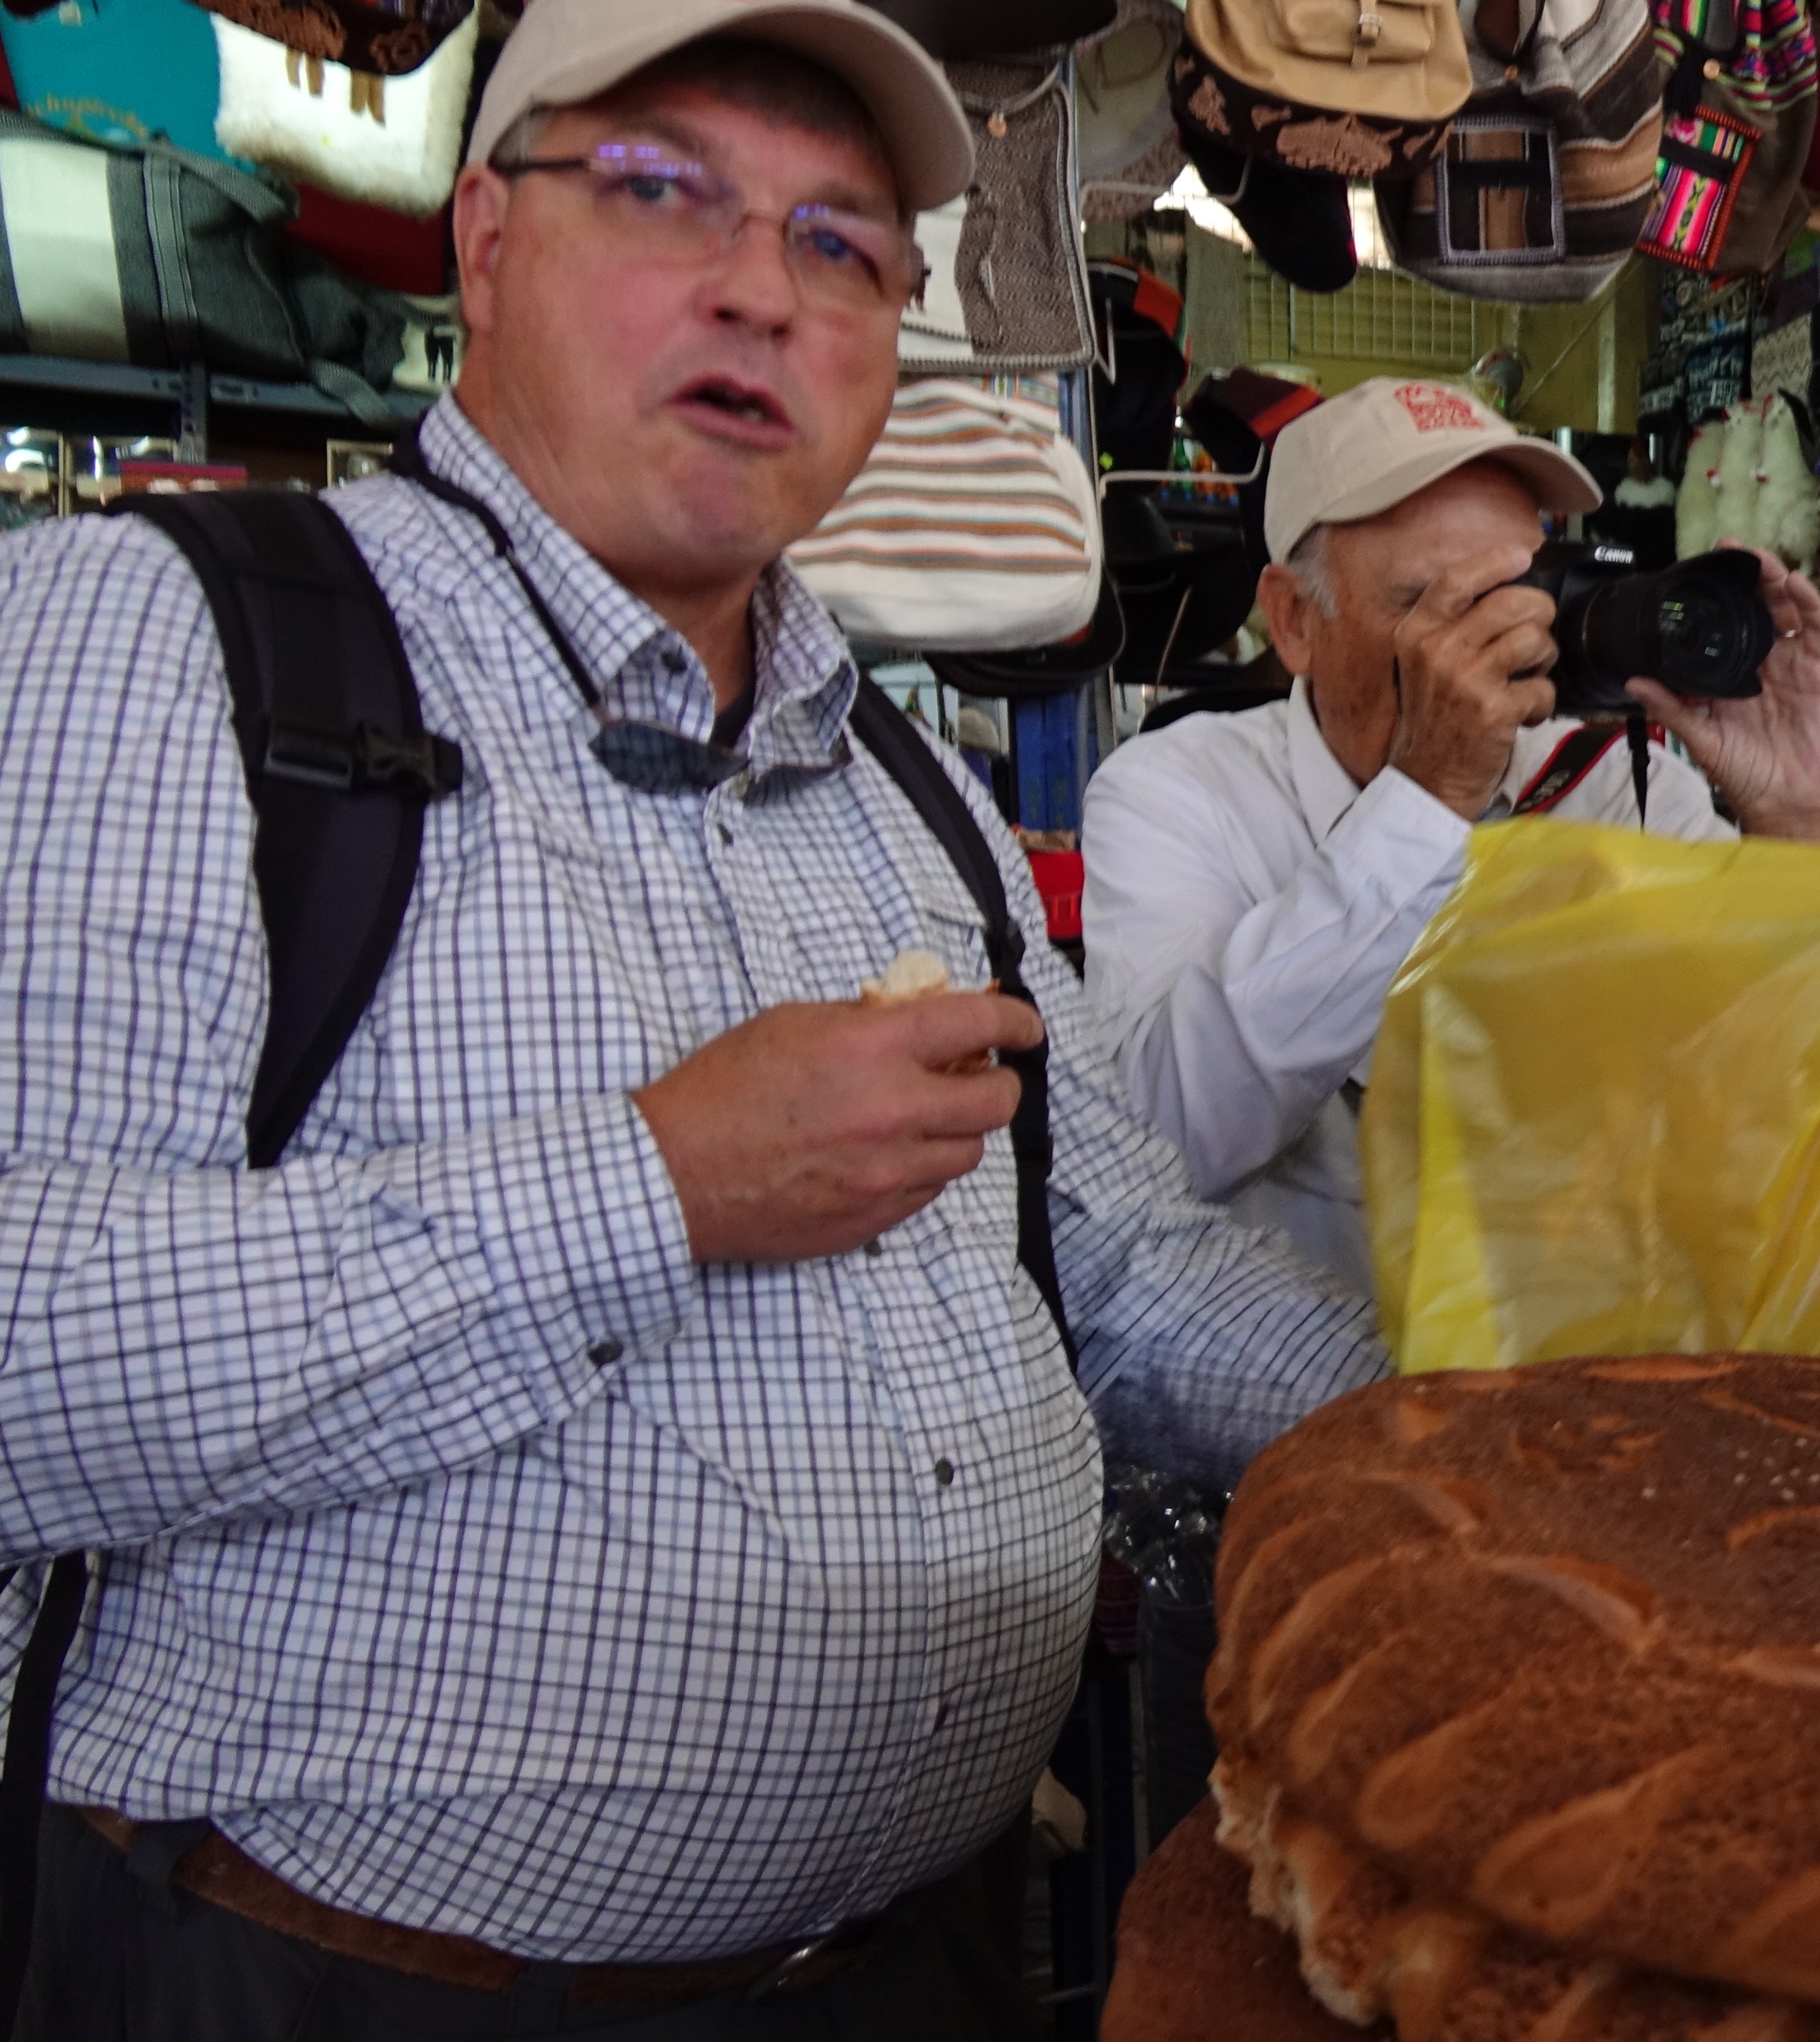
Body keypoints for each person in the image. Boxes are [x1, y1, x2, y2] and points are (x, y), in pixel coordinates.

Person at [0, 5, 1384, 2032]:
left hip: (920, 1961)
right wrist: (656, 1185)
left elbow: (1129, 1281)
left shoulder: (921, 801)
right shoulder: (158, 638)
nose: (760, 283)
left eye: (839, 243)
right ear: (485, 239)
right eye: (663, 191)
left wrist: (1515, 1401)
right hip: (335, 1981)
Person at [1077, 382, 1820, 1299]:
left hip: (1597, 1364)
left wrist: (1798, 825)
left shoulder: (1611, 781)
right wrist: (1425, 800)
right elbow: (1160, 1142)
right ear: (1294, 622)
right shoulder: (1179, 792)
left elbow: (1800, 1094)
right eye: (1446, 607)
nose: (1511, 644)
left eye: (1527, 595)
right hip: (1316, 1393)